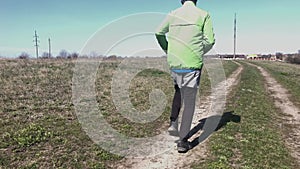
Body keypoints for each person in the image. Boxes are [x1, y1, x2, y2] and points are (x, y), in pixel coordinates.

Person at [155, 0, 215, 153]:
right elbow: (210, 40)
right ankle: (182, 141)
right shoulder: (203, 14)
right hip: (191, 63)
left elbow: (159, 32)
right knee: (189, 100)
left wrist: (168, 49)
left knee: (178, 90)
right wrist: (198, 52)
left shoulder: (173, 14)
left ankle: (173, 124)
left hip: (175, 62)